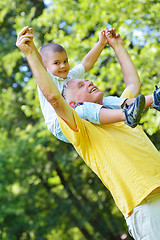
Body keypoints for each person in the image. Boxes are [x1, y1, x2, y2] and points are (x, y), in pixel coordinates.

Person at [16, 26, 160, 240]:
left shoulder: (114, 110)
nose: (89, 81)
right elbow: (55, 98)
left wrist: (116, 45)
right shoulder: (80, 123)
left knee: (126, 105)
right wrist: (30, 52)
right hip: (146, 201)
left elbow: (132, 84)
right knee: (97, 110)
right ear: (72, 102)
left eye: (65, 62)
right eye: (82, 84)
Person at [21, 27, 145, 143]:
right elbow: (38, 62)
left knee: (107, 101)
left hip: (76, 115)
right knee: (84, 108)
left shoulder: (71, 76)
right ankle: (126, 115)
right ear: (46, 66)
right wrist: (31, 46)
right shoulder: (47, 77)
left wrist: (101, 43)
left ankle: (150, 101)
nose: (63, 65)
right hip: (60, 125)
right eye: (56, 63)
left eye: (65, 61)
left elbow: (86, 62)